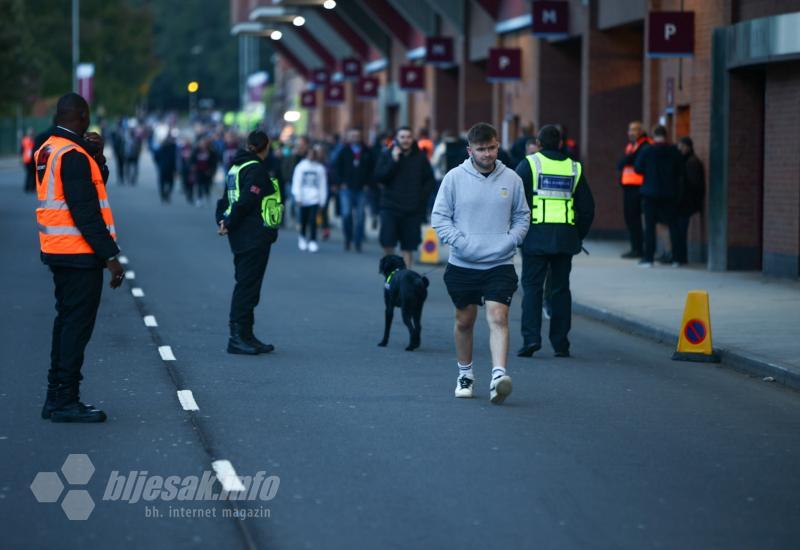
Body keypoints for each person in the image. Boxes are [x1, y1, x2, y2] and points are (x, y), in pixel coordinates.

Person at [35, 93, 125, 423]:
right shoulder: (71, 154)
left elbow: (89, 189)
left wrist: (97, 157)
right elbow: (85, 210)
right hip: (77, 253)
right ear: (83, 116)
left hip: (58, 250)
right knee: (75, 328)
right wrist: (111, 257)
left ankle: (57, 396)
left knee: (67, 324)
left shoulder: (49, 149)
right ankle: (63, 401)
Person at [431, 122, 530, 404]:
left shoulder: (511, 179)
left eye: (492, 147)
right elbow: (439, 217)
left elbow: (523, 216)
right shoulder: (453, 178)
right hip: (463, 263)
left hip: (500, 262)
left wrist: (510, 240)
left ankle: (499, 376)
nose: (487, 154)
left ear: (498, 146)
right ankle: (465, 373)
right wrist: (461, 242)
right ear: (470, 150)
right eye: (481, 149)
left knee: (499, 316)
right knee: (465, 320)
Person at [515, 125, 595, 358]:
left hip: (535, 239)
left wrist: (517, 232)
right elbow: (588, 208)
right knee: (560, 290)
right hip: (564, 240)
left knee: (532, 289)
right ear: (561, 143)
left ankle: (531, 339)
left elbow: (514, 200)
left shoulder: (529, 164)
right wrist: (578, 235)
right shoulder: (574, 168)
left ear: (538, 143)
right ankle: (561, 344)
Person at [216, 130, 281, 355]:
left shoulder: (236, 167)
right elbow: (245, 202)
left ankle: (247, 334)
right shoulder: (255, 169)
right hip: (252, 235)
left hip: (241, 234)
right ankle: (237, 337)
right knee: (247, 286)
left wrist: (223, 221)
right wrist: (230, 222)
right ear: (265, 147)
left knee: (249, 285)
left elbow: (225, 200)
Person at [375, 126, 435, 267]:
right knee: (388, 242)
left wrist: (421, 197)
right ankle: (390, 274)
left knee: (408, 247)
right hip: (390, 207)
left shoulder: (420, 157)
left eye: (408, 137)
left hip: (412, 209)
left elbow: (430, 180)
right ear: (397, 138)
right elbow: (379, 177)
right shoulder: (387, 154)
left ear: (412, 138)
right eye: (402, 137)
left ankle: (405, 279)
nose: (405, 140)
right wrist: (393, 161)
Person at [634, 125, 683, 267]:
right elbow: (680, 171)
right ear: (666, 135)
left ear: (653, 135)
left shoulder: (647, 151)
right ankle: (676, 258)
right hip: (669, 194)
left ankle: (648, 258)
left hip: (650, 193)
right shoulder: (674, 151)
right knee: (673, 225)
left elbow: (638, 168)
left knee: (649, 227)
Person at [335, 128, 375, 252]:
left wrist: (368, 183)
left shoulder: (367, 151)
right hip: (346, 189)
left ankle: (358, 242)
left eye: (357, 135)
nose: (355, 137)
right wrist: (340, 183)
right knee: (346, 215)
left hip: (362, 189)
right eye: (352, 135)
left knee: (361, 217)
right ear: (349, 137)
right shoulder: (343, 151)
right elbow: (336, 168)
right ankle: (348, 238)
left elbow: (372, 169)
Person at [617, 121, 651, 259]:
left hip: (638, 187)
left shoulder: (645, 145)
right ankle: (635, 248)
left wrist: (627, 159)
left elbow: (634, 163)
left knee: (635, 220)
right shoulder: (631, 146)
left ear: (641, 131)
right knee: (630, 219)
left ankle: (639, 249)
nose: (631, 132)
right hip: (628, 187)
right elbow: (621, 164)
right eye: (630, 130)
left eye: (634, 130)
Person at [675, 136, 706, 265]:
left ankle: (680, 257)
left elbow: (693, 184)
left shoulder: (691, 162)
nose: (679, 149)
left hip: (686, 202)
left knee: (681, 231)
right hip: (684, 201)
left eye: (681, 146)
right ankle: (678, 256)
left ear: (687, 147)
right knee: (679, 230)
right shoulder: (687, 161)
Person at [291, 144, 328, 253]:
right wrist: (297, 196)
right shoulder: (301, 167)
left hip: (315, 198)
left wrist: (322, 200)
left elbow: (323, 185)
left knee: (313, 220)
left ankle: (313, 240)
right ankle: (302, 237)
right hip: (303, 198)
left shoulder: (320, 168)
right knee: (303, 219)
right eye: (310, 154)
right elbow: (296, 182)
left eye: (313, 154)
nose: (311, 156)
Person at [191, 137, 219, 206]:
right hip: (199, 171)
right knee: (199, 185)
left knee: (207, 185)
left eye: (205, 144)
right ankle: (199, 199)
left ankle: (207, 195)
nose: (203, 145)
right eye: (202, 144)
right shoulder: (196, 151)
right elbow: (192, 160)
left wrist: (212, 170)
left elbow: (214, 162)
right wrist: (193, 167)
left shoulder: (211, 152)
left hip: (207, 171)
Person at [154, 133, 177, 203]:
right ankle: (167, 194)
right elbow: (176, 158)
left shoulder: (162, 147)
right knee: (170, 182)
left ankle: (163, 195)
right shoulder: (174, 147)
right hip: (171, 167)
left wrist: (159, 163)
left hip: (163, 167)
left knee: (162, 182)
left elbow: (156, 156)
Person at [20, 128, 36, 193]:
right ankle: (30, 187)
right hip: (27, 159)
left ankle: (29, 187)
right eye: (30, 132)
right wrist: (21, 158)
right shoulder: (26, 140)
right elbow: (22, 150)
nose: (31, 134)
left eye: (32, 132)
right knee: (31, 174)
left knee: (31, 174)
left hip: (31, 159)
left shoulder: (32, 140)